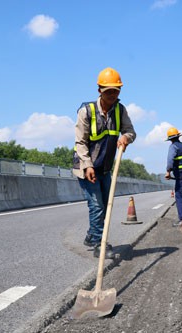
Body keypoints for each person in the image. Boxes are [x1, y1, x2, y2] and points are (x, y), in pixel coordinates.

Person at [73, 67, 136, 259]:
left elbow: (131, 131)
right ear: (99, 89)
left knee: (106, 205)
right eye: (108, 90)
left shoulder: (120, 110)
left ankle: (92, 235)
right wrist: (88, 165)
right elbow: (80, 142)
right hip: (86, 167)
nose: (112, 94)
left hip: (106, 168)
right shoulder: (87, 111)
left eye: (116, 90)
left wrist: (125, 137)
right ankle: (100, 245)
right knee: (97, 206)